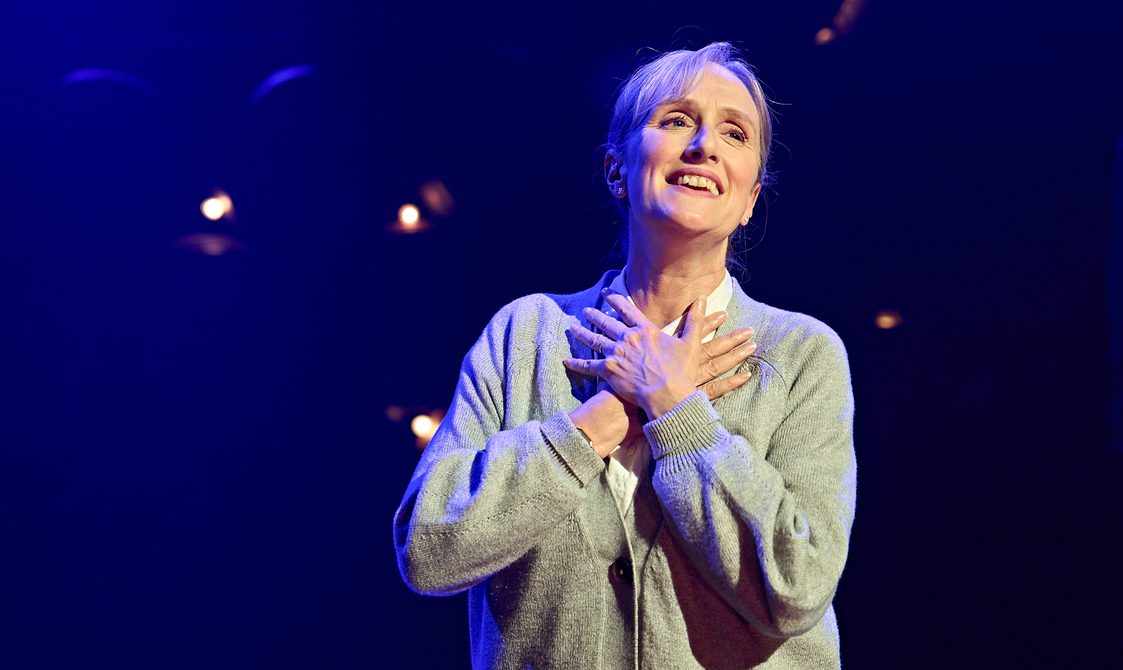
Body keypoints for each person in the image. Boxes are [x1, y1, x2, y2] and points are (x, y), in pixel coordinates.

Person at [393, 42, 856, 669]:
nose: (704, 146)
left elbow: (796, 587)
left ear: (749, 200)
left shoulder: (801, 355)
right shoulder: (527, 334)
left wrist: (676, 410)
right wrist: (604, 417)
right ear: (617, 170)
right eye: (675, 120)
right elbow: (428, 548)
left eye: (734, 132)